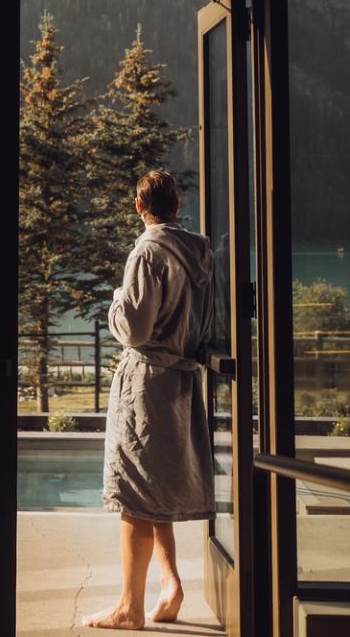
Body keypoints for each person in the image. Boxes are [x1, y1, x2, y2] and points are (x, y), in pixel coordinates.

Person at [83, 170, 213, 631]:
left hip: (147, 382)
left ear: (141, 207)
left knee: (135, 492)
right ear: (176, 205)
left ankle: (129, 607)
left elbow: (135, 328)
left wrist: (118, 298)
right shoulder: (200, 252)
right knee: (155, 486)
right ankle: (171, 585)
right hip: (181, 382)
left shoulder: (148, 250)